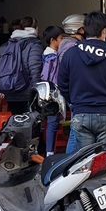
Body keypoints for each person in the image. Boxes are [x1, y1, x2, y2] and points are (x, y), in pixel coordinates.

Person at [56, 12, 106, 180]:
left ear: (84, 31)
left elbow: (62, 84)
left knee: (85, 162)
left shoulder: (71, 54)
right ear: (103, 32)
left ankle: (88, 201)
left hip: (80, 113)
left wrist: (74, 102)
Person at [0, 15, 43, 115]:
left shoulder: (7, 45)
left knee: (16, 121)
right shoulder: (34, 45)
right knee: (29, 124)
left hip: (9, 90)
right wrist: (37, 91)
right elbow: (35, 68)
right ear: (35, 28)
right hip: (26, 92)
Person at [57, 14, 86, 153]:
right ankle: (69, 164)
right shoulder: (72, 46)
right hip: (76, 93)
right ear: (78, 29)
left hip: (72, 92)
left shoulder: (65, 43)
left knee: (76, 132)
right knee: (75, 133)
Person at [40, 25, 65, 155]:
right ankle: (49, 152)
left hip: (53, 93)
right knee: (52, 122)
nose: (62, 41)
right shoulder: (51, 57)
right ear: (52, 40)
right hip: (53, 94)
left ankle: (50, 151)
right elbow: (46, 76)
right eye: (61, 38)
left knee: (52, 122)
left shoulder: (49, 55)